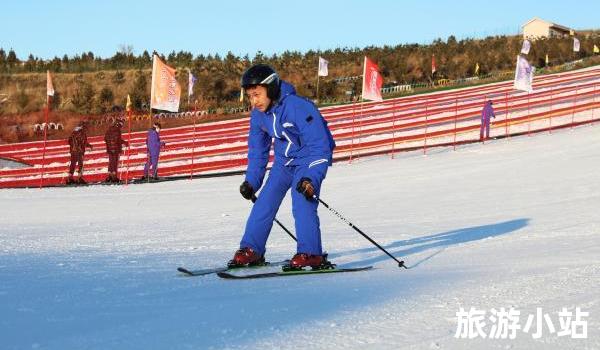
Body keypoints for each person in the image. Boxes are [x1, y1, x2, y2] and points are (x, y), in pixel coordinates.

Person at [228, 64, 336, 270]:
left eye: (257, 95)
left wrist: (311, 178)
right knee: (264, 202)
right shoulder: (258, 115)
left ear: (272, 88)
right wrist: (252, 181)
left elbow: (320, 146)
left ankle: (311, 253)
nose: (254, 101)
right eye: (250, 96)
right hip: (283, 163)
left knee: (301, 201)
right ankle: (252, 250)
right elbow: (257, 151)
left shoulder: (297, 107)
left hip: (308, 160)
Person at [103, 119, 129, 183]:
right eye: (121, 125)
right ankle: (114, 177)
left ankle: (109, 176)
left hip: (109, 149)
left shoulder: (109, 130)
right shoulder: (117, 131)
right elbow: (118, 140)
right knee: (114, 163)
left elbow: (105, 139)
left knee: (111, 162)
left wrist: (109, 145)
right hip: (116, 149)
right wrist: (125, 143)